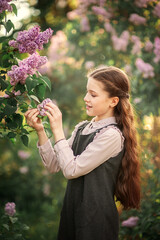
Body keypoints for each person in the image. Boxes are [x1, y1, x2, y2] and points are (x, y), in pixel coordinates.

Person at [25, 66, 140, 240]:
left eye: (93, 95)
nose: (86, 98)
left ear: (113, 101)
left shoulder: (111, 135)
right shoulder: (82, 128)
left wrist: (57, 129)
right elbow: (54, 165)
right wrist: (41, 131)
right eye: (87, 92)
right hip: (72, 213)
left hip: (96, 220)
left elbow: (72, 170)